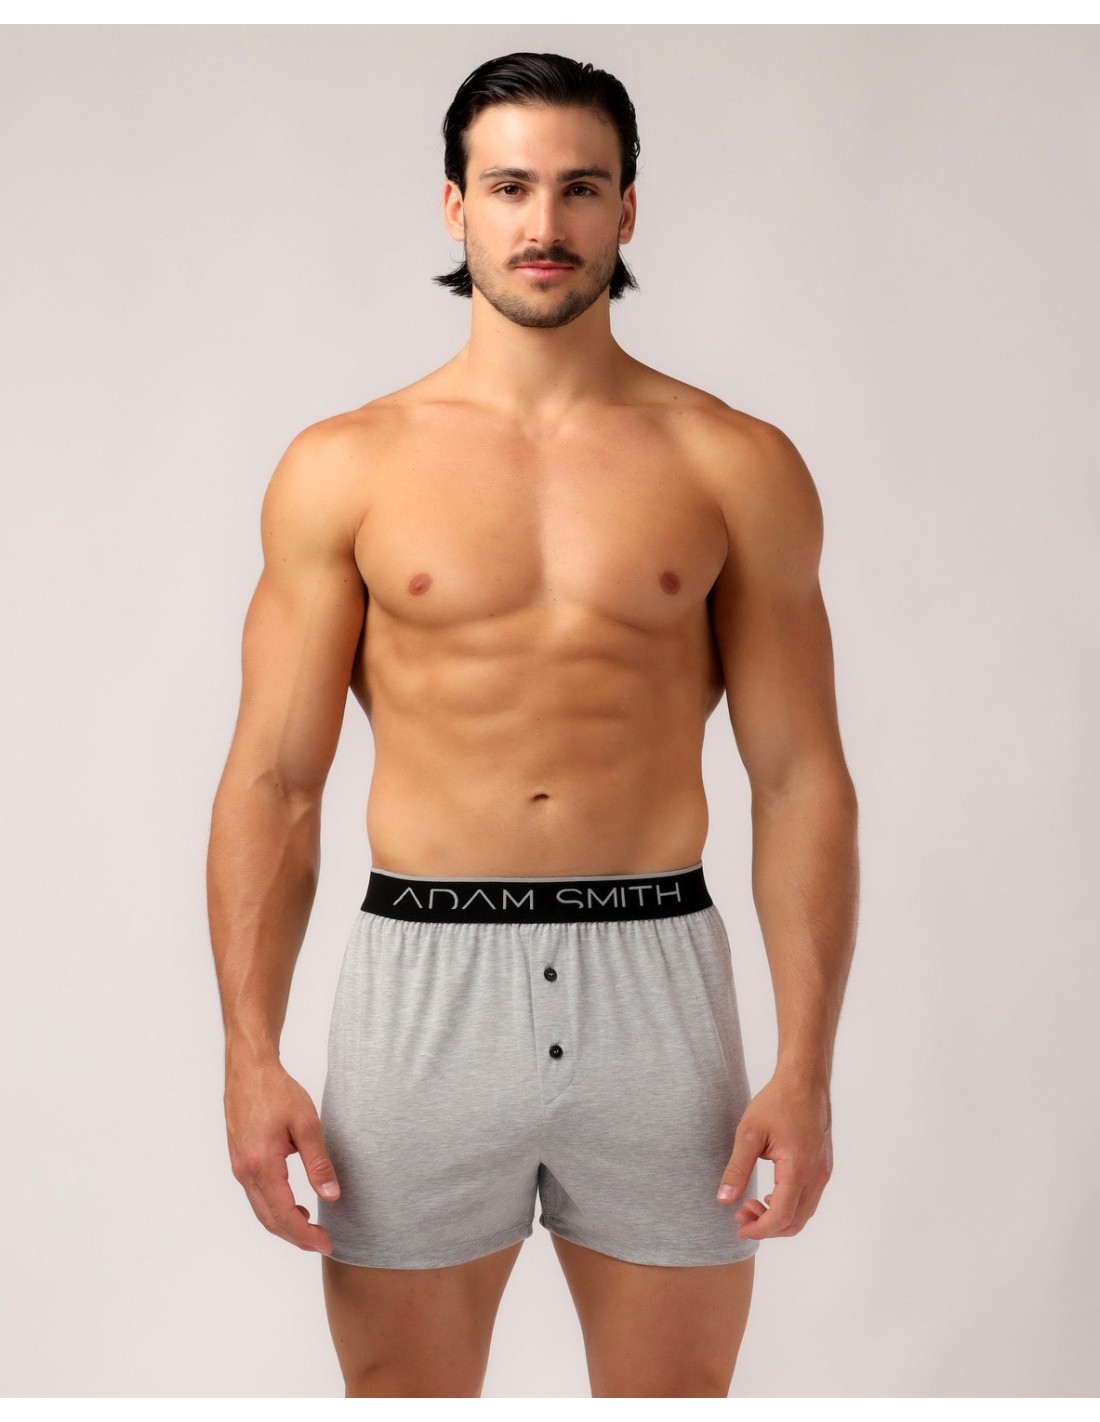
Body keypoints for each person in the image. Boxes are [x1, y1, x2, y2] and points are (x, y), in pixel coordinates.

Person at [206, 50, 860, 1399]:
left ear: (629, 209)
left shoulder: (732, 463)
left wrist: (805, 1066)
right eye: (509, 187)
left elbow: (800, 779)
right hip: (424, 986)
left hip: (657, 982)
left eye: (580, 187)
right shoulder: (347, 466)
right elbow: (273, 780)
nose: (544, 222)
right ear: (456, 205)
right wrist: (249, 1053)